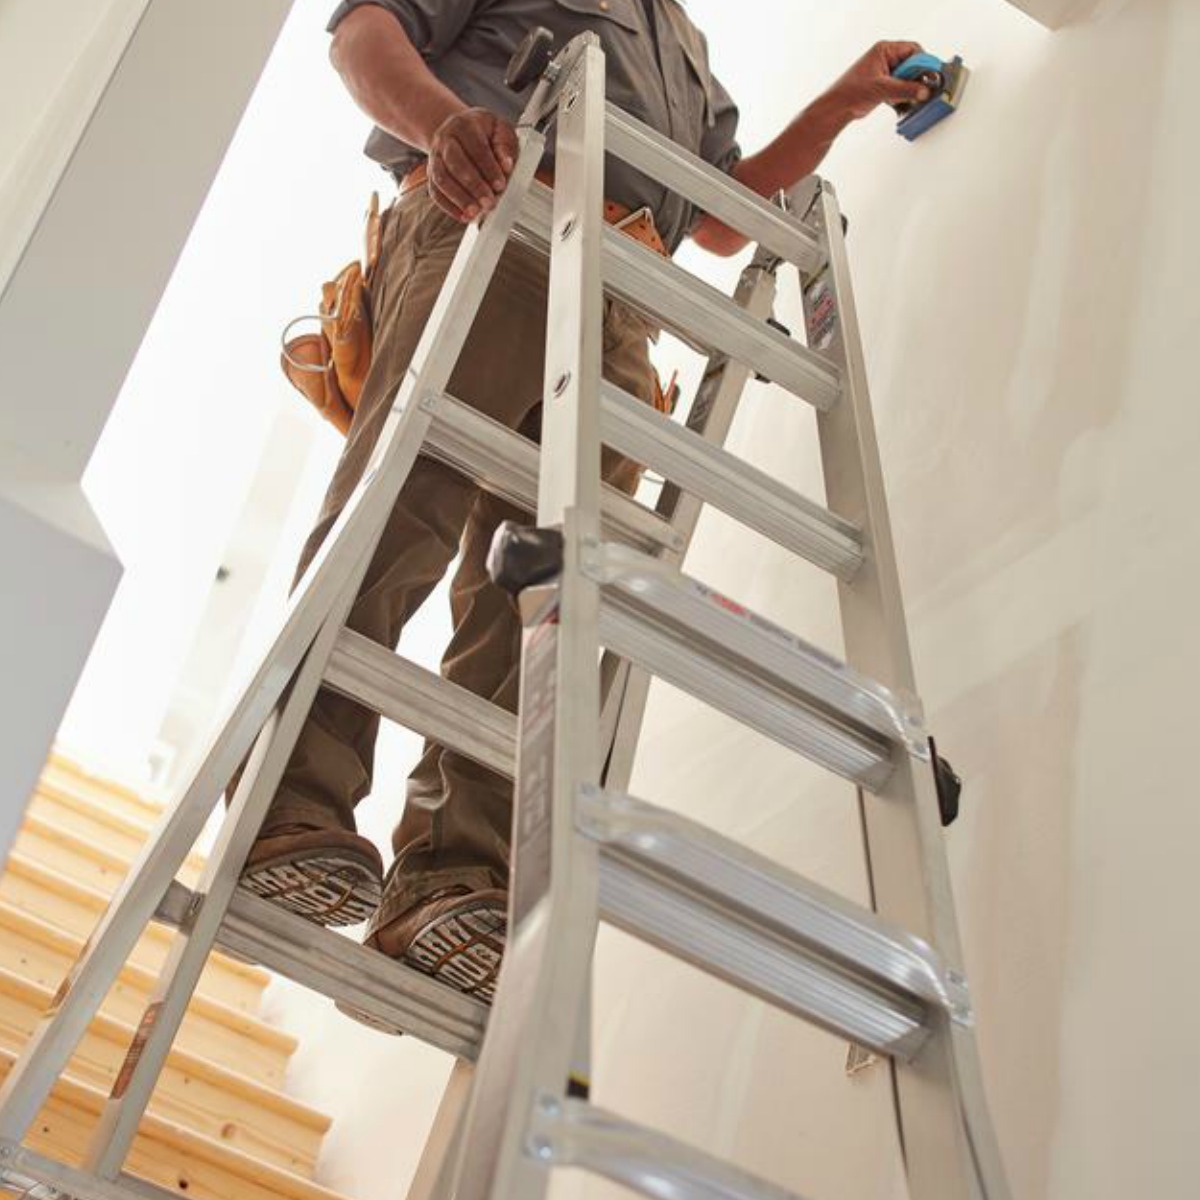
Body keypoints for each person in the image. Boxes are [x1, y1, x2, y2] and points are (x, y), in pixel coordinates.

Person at [238, 0, 932, 1007]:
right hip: (494, 213)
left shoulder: (686, 49)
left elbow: (725, 216)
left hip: (621, 292)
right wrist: (445, 128)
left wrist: (847, 99)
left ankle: (451, 870)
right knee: (404, 516)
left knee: (544, 598)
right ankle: (286, 807)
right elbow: (361, 36)